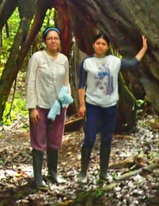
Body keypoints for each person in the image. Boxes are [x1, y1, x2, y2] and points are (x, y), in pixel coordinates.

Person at [77, 33, 148, 184]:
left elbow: (132, 63)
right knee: (89, 139)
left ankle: (103, 173)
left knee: (107, 139)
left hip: (110, 107)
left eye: (103, 44)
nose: (100, 46)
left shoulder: (114, 61)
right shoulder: (87, 62)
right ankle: (83, 172)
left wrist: (144, 48)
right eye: (98, 43)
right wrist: (82, 104)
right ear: (93, 45)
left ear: (108, 46)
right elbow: (81, 84)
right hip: (92, 106)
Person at [26, 27, 71, 190]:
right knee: (39, 141)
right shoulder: (37, 58)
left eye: (56, 38)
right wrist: (32, 107)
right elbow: (30, 81)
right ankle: (38, 178)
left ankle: (53, 173)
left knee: (55, 139)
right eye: (50, 38)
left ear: (59, 41)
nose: (53, 41)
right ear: (45, 41)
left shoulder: (64, 59)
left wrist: (65, 102)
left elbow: (66, 82)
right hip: (40, 105)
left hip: (58, 105)